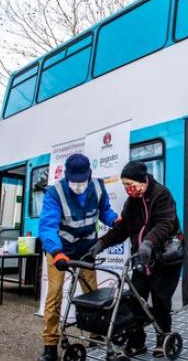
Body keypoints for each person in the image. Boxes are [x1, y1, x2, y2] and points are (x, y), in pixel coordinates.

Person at [88, 161, 182, 358]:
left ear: (143, 181)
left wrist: (148, 242)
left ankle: (162, 337)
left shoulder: (161, 195)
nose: (128, 189)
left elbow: (166, 223)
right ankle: (137, 342)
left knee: (160, 298)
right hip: (142, 259)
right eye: (124, 186)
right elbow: (122, 229)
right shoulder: (131, 203)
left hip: (165, 259)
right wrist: (102, 243)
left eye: (130, 184)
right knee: (135, 300)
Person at [37, 153, 119, 361]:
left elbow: (105, 211)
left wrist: (115, 221)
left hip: (86, 248)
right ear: (66, 175)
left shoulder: (99, 187)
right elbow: (47, 227)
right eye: (74, 181)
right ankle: (50, 345)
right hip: (60, 250)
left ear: (89, 174)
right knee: (54, 294)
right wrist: (56, 253)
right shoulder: (55, 193)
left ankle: (95, 334)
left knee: (91, 292)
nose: (78, 185)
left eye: (82, 181)